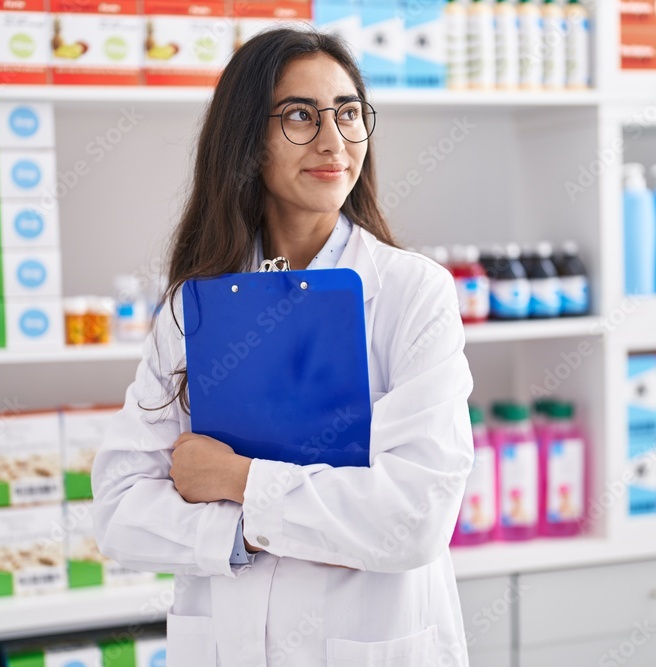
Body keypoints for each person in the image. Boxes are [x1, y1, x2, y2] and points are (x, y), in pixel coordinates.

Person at [92, 27, 475, 667]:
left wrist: (234, 481)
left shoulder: (413, 293)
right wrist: (251, 529)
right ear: (246, 141)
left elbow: (414, 518)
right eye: (300, 115)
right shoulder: (195, 305)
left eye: (347, 113)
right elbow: (121, 511)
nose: (333, 141)